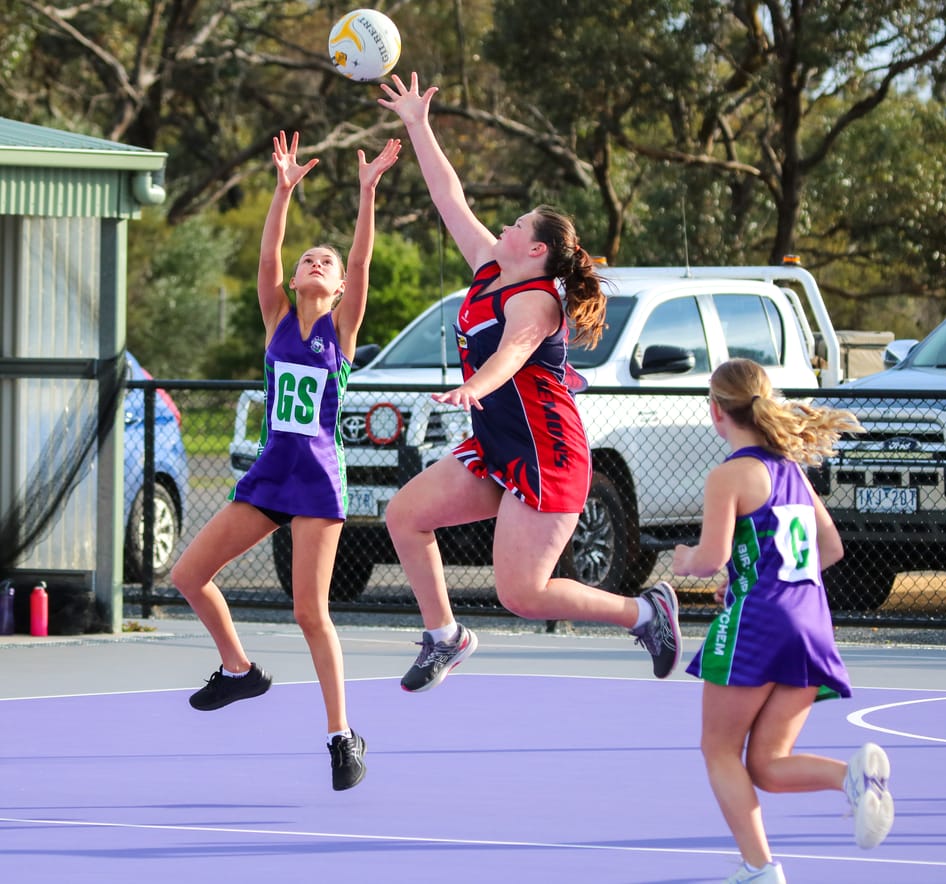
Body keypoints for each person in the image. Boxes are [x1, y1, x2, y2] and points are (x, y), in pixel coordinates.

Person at [375, 72, 681, 692]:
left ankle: (646, 612)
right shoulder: (492, 267)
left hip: (548, 451)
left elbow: (513, 353)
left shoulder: (538, 300)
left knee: (524, 594)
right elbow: (448, 197)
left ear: (538, 251)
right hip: (496, 443)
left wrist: (475, 387)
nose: (506, 227)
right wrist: (418, 124)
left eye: (518, 224)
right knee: (404, 515)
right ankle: (444, 637)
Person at [170, 130, 401, 792]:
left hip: (320, 479)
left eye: (323, 260)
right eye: (309, 258)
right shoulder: (276, 317)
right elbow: (269, 252)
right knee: (189, 573)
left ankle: (340, 734)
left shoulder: (342, 326)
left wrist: (367, 191)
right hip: (271, 472)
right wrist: (281, 189)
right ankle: (238, 670)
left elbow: (361, 261)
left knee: (309, 612)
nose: (315, 261)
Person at [672, 358, 894, 884]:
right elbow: (830, 547)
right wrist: (761, 574)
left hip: (760, 626)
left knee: (719, 750)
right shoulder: (790, 471)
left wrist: (685, 560)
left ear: (716, 412)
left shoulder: (729, 476)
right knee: (766, 765)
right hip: (811, 623)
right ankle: (853, 779)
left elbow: (708, 558)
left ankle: (758, 869)